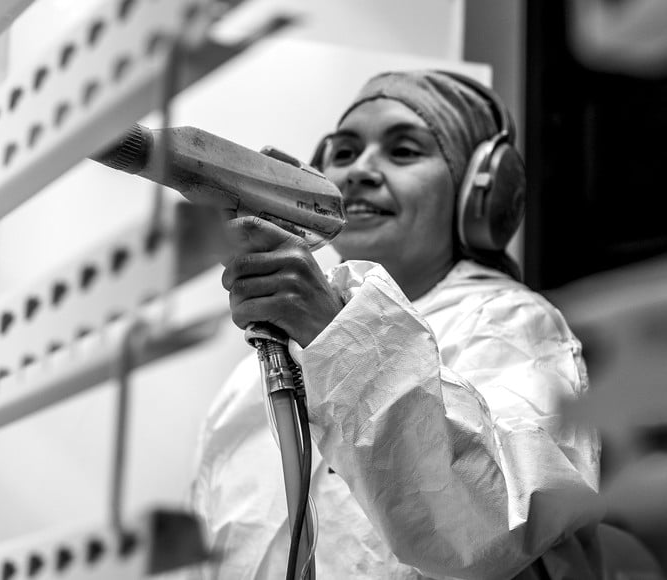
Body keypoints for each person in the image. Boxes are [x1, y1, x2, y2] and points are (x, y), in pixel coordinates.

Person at [185, 70, 603, 578]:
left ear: (479, 196)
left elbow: (498, 525)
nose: (360, 170)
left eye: (404, 151)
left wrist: (336, 336)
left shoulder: (514, 325)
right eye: (342, 154)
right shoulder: (250, 379)